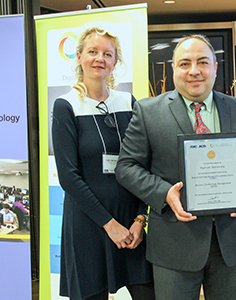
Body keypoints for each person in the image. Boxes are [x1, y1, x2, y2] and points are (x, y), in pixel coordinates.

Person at [115, 34, 236, 300]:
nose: (194, 71)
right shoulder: (148, 111)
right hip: (174, 246)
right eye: (185, 63)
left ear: (215, 67)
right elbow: (126, 167)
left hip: (230, 246)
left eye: (202, 62)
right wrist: (164, 193)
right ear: (174, 68)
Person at [52, 26, 154, 300]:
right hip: (89, 223)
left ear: (115, 61)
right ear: (79, 57)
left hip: (131, 221)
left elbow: (143, 163)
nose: (100, 58)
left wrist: (139, 219)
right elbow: (68, 177)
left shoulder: (128, 102)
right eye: (93, 51)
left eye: (107, 54)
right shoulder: (66, 105)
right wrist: (109, 225)